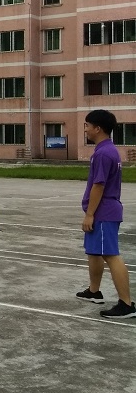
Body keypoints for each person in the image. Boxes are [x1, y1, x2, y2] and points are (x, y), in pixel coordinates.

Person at [77, 110, 134, 319]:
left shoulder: (103, 153)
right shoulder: (108, 149)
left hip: (104, 211)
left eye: (87, 125)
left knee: (110, 255)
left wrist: (90, 214)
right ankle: (94, 291)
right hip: (105, 210)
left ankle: (126, 304)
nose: (85, 129)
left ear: (98, 128)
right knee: (94, 251)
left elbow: (98, 185)